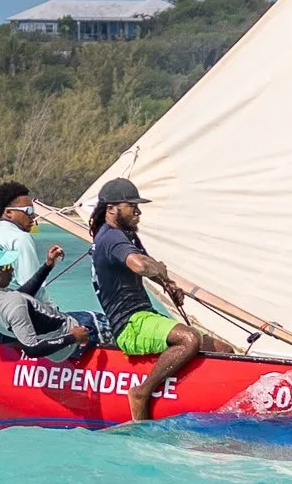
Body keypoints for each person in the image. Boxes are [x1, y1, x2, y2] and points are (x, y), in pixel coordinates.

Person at [89, 177, 232, 421]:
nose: (138, 211)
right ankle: (141, 393)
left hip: (145, 317)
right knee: (189, 339)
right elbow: (139, 264)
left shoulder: (126, 235)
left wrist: (168, 283)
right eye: (131, 206)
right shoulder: (111, 237)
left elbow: (147, 264)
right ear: (111, 208)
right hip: (130, 324)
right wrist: (159, 270)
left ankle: (208, 396)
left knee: (223, 349)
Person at [0, 236, 109, 360]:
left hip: (60, 331)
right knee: (115, 324)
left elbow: (21, 295)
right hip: (73, 335)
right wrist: (72, 337)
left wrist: (47, 266)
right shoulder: (14, 305)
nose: (12, 269)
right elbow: (32, 349)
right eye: (6, 267)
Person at [0, 181, 61, 322]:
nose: (33, 216)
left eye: (34, 211)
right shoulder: (21, 238)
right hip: (16, 321)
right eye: (29, 211)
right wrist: (59, 315)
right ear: (8, 213)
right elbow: (34, 288)